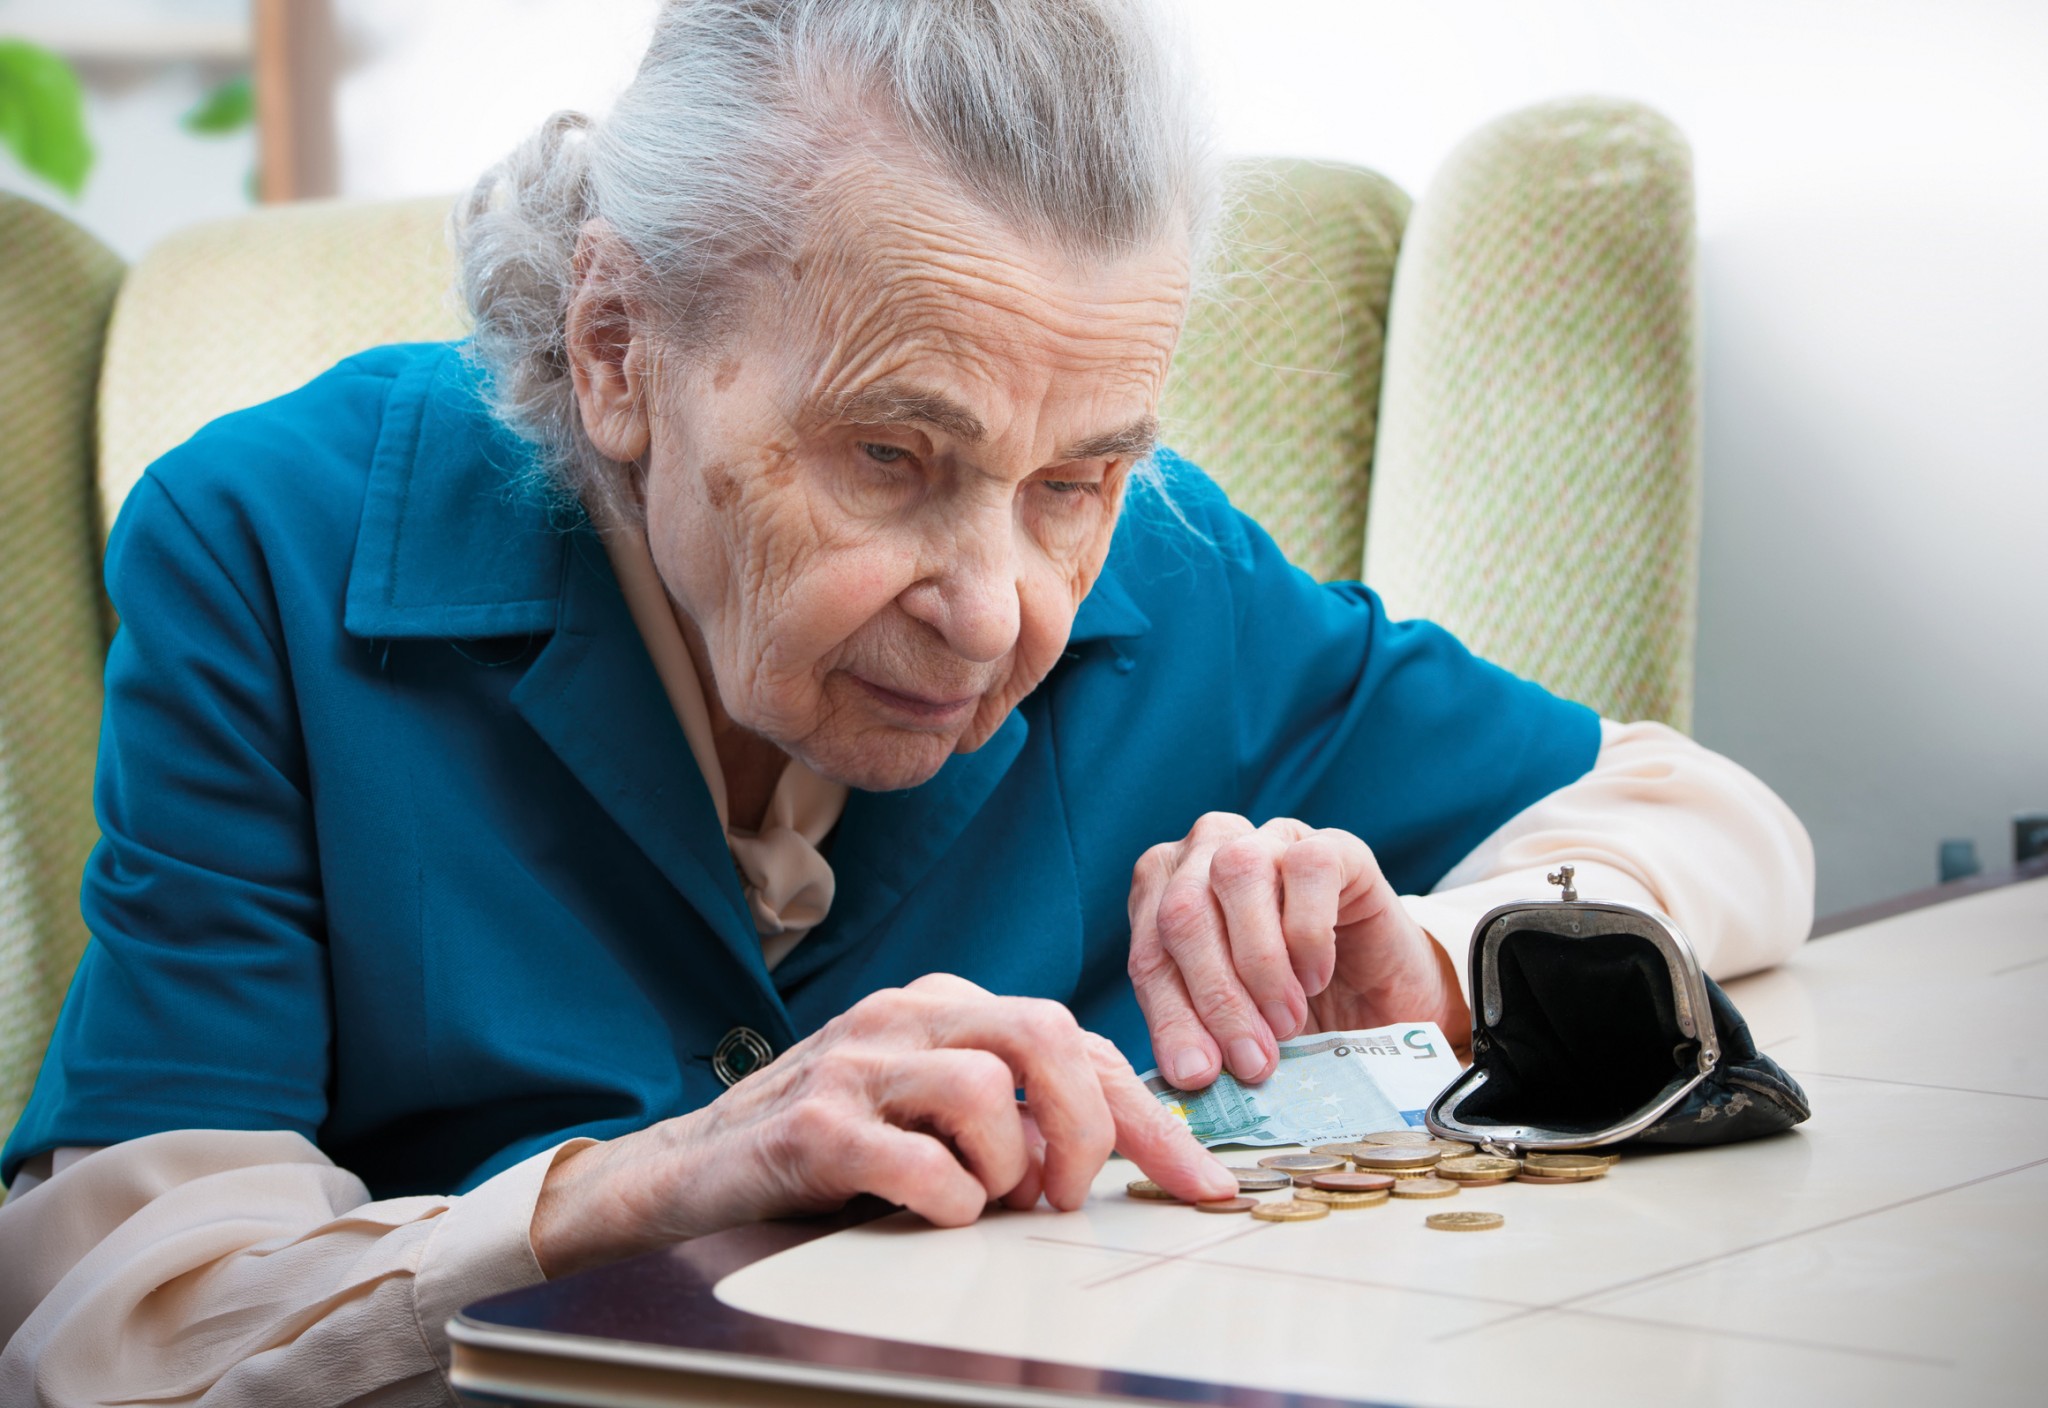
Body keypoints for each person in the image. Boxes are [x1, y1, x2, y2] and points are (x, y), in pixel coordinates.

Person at [0, 0, 1812, 1402]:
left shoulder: (1170, 571)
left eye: (1077, 478)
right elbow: (109, 1326)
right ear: (618, 348)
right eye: (891, 453)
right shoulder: (271, 537)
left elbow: (1711, 815)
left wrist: (1428, 953)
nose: (997, 604)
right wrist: (654, 1182)